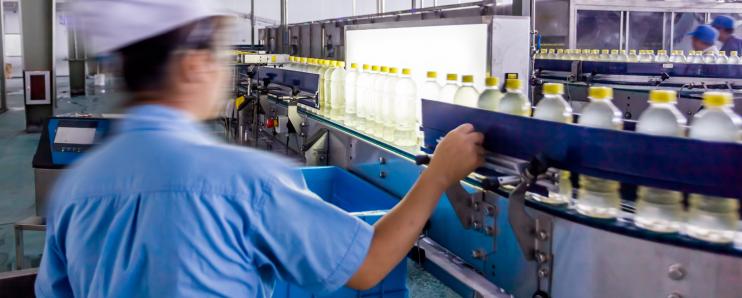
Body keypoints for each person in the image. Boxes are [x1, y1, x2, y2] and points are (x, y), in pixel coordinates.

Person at [34, 0, 485, 297]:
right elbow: (367, 265)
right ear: (192, 66)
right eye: (219, 58)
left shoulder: (77, 186)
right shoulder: (238, 179)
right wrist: (437, 174)